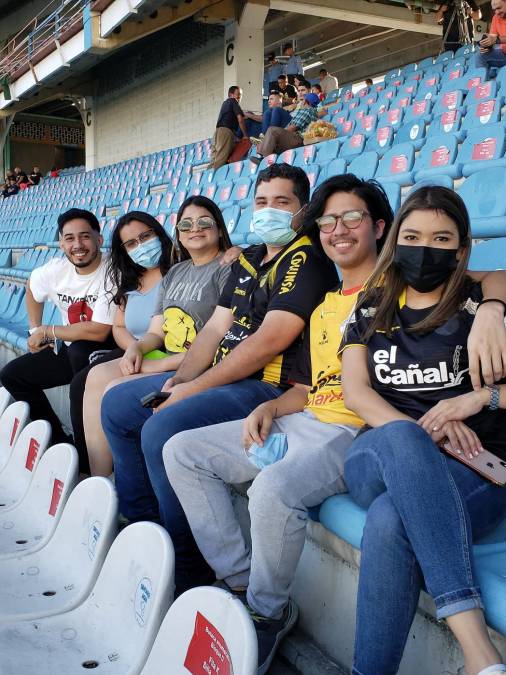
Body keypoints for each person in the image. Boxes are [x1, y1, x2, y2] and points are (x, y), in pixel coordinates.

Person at [164, 175, 395, 675]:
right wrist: (269, 409)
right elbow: (311, 386)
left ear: (378, 226)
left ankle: (267, 614)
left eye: (352, 217)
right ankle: (242, 583)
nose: (338, 229)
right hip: (310, 417)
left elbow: (485, 281)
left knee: (271, 490)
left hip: (358, 432)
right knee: (182, 451)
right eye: (328, 221)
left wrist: (492, 304)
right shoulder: (327, 305)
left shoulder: (401, 287)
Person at [100, 163, 339, 595]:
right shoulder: (248, 258)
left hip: (269, 386)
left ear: (302, 211)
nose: (269, 210)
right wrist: (179, 382)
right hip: (223, 377)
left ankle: (188, 565)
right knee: (118, 405)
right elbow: (213, 330)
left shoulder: (308, 260)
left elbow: (270, 340)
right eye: (262, 201)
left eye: (282, 203)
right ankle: (145, 526)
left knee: (161, 428)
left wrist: (192, 389)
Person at [340, 186, 506, 675]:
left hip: (477, 468)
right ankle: (481, 655)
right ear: (393, 240)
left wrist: (478, 397)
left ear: (460, 249)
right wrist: (423, 431)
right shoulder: (372, 307)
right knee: (404, 441)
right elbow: (357, 394)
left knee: (393, 520)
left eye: (440, 238)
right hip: (380, 453)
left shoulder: (484, 305)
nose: (424, 248)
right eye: (411, 235)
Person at [80, 198, 233, 476]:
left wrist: (164, 364)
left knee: (114, 391)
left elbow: (220, 337)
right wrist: (137, 348)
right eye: (186, 224)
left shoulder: (229, 266)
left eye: (204, 222)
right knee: (93, 377)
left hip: (194, 362)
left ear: (219, 228)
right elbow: (156, 332)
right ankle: (99, 479)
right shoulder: (176, 272)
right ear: (178, 232)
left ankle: (132, 493)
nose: (194, 229)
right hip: (166, 355)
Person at [66, 210, 174, 474]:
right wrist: (132, 349)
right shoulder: (129, 281)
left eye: (146, 236)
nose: (141, 246)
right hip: (135, 350)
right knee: (84, 380)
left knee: (107, 386)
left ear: (158, 233)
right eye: (132, 243)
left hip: (165, 352)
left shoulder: (179, 269)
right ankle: (97, 476)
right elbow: (119, 326)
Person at [0, 208, 116, 450]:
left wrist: (47, 331)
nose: (78, 245)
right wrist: (34, 330)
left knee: (80, 354)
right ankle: (58, 441)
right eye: (69, 238)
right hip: (73, 347)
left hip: (109, 350)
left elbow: (99, 332)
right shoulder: (55, 270)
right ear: (61, 244)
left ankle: (86, 454)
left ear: (99, 239)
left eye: (85, 236)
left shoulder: (112, 269)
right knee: (13, 375)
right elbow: (32, 287)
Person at [256, 93, 319, 157]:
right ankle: (263, 152)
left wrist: (278, 133)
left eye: (302, 100)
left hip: (298, 140)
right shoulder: (310, 111)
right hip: (294, 138)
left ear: (305, 102)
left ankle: (263, 158)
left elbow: (293, 128)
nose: (301, 102)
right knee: (271, 132)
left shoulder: (308, 111)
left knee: (272, 130)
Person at [210, 86, 249, 170]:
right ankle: (215, 180)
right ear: (231, 94)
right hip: (225, 132)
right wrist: (245, 135)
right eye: (238, 94)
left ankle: (207, 179)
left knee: (213, 161)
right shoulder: (233, 101)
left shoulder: (225, 103)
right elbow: (240, 119)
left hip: (217, 132)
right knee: (220, 160)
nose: (239, 97)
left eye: (241, 95)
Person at [475, 0, 506, 69]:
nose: (496, 12)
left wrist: (495, 40)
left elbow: (495, 39)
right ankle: (484, 78)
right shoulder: (496, 17)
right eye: (494, 10)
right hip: (504, 54)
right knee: (480, 56)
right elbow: (492, 37)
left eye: (499, 8)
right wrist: (486, 45)